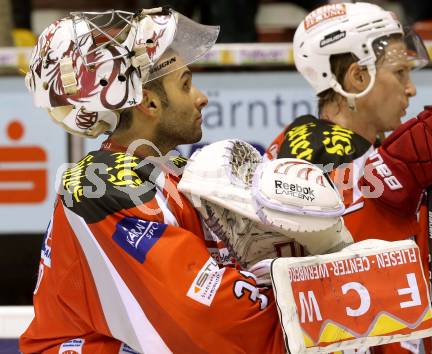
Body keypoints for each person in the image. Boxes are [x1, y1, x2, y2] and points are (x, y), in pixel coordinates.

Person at [18, 7, 293, 354]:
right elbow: (204, 316)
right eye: (186, 84)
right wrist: (304, 300)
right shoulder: (99, 184)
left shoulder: (171, 168)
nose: (201, 97)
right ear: (148, 102)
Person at [265, 2, 432, 354]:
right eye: (401, 73)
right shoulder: (315, 147)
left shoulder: (353, 146)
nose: (410, 89)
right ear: (358, 77)